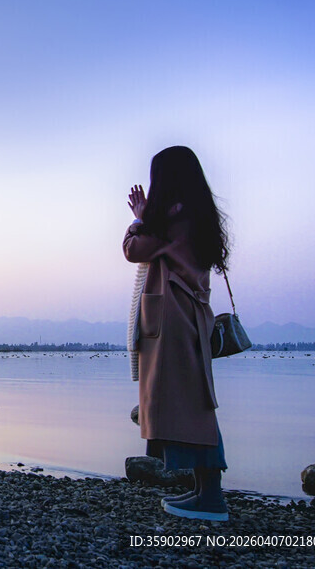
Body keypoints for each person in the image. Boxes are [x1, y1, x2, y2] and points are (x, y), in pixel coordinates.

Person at [124, 145, 230, 522]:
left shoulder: (174, 217)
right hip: (190, 318)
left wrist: (139, 217)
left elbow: (134, 248)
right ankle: (204, 490)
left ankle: (212, 497)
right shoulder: (197, 214)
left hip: (174, 321)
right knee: (197, 401)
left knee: (195, 407)